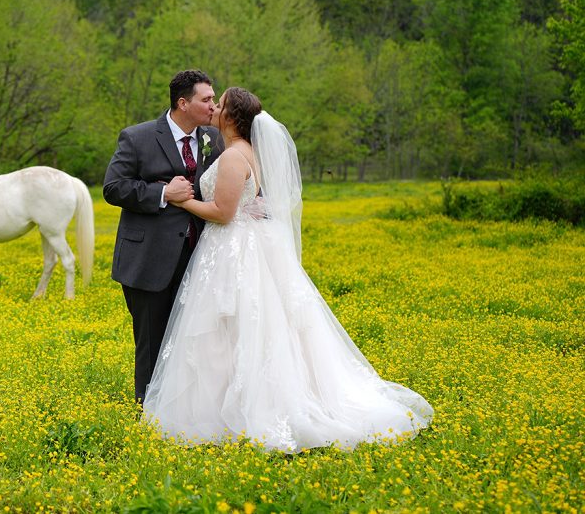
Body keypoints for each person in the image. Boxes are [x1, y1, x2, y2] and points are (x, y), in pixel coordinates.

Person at [143, 87, 434, 452]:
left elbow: (223, 212)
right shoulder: (244, 152)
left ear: (232, 118)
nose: (214, 108)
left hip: (233, 250)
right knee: (233, 332)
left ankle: (232, 410)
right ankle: (224, 402)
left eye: (221, 104)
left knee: (232, 328)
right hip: (237, 247)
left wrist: (184, 202)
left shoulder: (234, 157)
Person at [103, 70, 225, 404]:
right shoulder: (137, 137)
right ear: (183, 103)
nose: (213, 105)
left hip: (200, 259)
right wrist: (163, 193)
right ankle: (147, 412)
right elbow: (113, 188)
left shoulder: (214, 139)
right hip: (148, 262)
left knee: (193, 342)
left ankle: (185, 411)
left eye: (213, 98)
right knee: (151, 343)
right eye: (206, 99)